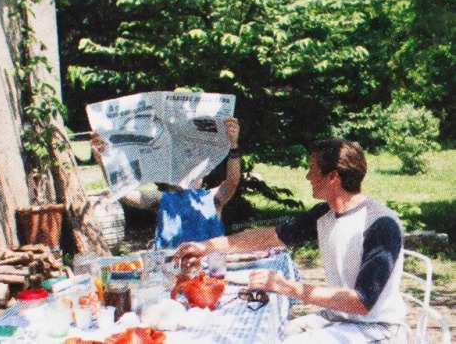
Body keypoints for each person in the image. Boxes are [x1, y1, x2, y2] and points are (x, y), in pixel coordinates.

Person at [173, 139, 407, 344]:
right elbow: (268, 236)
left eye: (312, 169)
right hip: (339, 317)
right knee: (268, 335)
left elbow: (361, 303)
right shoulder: (325, 213)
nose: (307, 176)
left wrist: (286, 287)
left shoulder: (380, 223)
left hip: (376, 327)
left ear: (333, 176)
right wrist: (205, 247)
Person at [91, 117, 241, 248]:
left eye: (197, 171)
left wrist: (233, 145)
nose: (191, 175)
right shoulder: (164, 199)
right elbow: (124, 193)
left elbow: (233, 180)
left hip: (207, 271)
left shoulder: (212, 198)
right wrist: (103, 161)